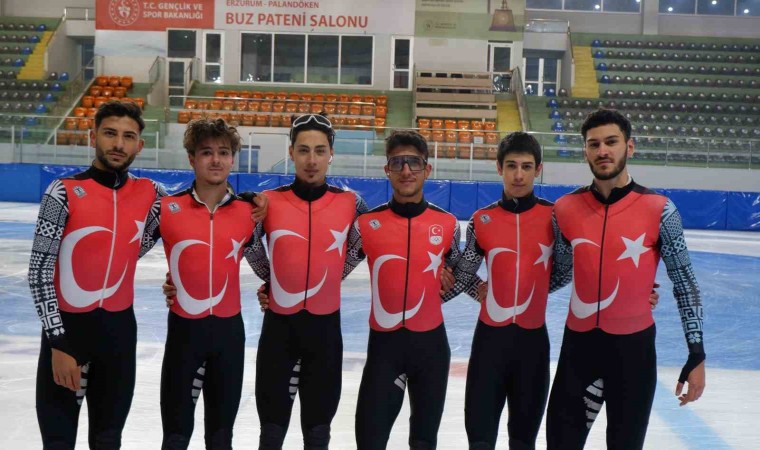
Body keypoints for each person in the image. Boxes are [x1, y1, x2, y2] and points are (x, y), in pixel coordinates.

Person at [444, 132, 661, 450]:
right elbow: (463, 272)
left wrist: (636, 287)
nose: (519, 175)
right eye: (511, 166)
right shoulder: (482, 220)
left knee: (523, 442)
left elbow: (575, 266)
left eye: (526, 167)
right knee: (479, 442)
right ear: (499, 168)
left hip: (532, 348)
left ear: (538, 169)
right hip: (489, 346)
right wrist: (481, 290)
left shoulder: (556, 216)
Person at [546, 109, 705, 450]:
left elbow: (685, 283)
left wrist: (696, 353)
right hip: (579, 351)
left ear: (629, 147)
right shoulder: (564, 209)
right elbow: (558, 274)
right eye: (594, 144)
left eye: (611, 142)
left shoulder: (660, 209)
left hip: (633, 355)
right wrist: (493, 285)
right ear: (585, 152)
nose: (602, 150)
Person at [28, 101, 166, 448]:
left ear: (140, 145)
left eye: (128, 136)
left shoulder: (152, 194)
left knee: (108, 440)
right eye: (110, 133)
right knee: (58, 441)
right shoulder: (62, 191)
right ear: (93, 137)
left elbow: (190, 224)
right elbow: (39, 272)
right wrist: (58, 342)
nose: (118, 143)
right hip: (68, 335)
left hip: (119, 337)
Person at [249, 113, 368, 450]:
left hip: (325, 332)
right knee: (271, 433)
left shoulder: (351, 203)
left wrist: (333, 276)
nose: (311, 160)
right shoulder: (268, 201)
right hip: (279, 332)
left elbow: (366, 245)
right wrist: (272, 279)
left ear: (331, 154)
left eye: (319, 150)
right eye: (303, 150)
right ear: (291, 153)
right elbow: (247, 243)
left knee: (317, 434)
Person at [345, 130, 462, 450]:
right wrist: (276, 286)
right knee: (369, 439)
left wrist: (449, 285)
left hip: (431, 349)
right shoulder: (366, 224)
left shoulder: (448, 224)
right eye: (397, 163)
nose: (406, 170)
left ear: (427, 169)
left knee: (423, 442)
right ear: (387, 169)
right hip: (384, 349)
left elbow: (459, 275)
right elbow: (335, 270)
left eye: (414, 162)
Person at [155, 118, 264, 449]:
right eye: (206, 152)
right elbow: (122, 254)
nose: (216, 160)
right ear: (192, 159)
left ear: (233, 159)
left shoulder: (249, 213)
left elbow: (264, 266)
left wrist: (273, 288)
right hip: (184, 336)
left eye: (224, 152)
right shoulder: (166, 209)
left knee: (220, 437)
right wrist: (174, 280)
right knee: (175, 436)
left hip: (229, 336)